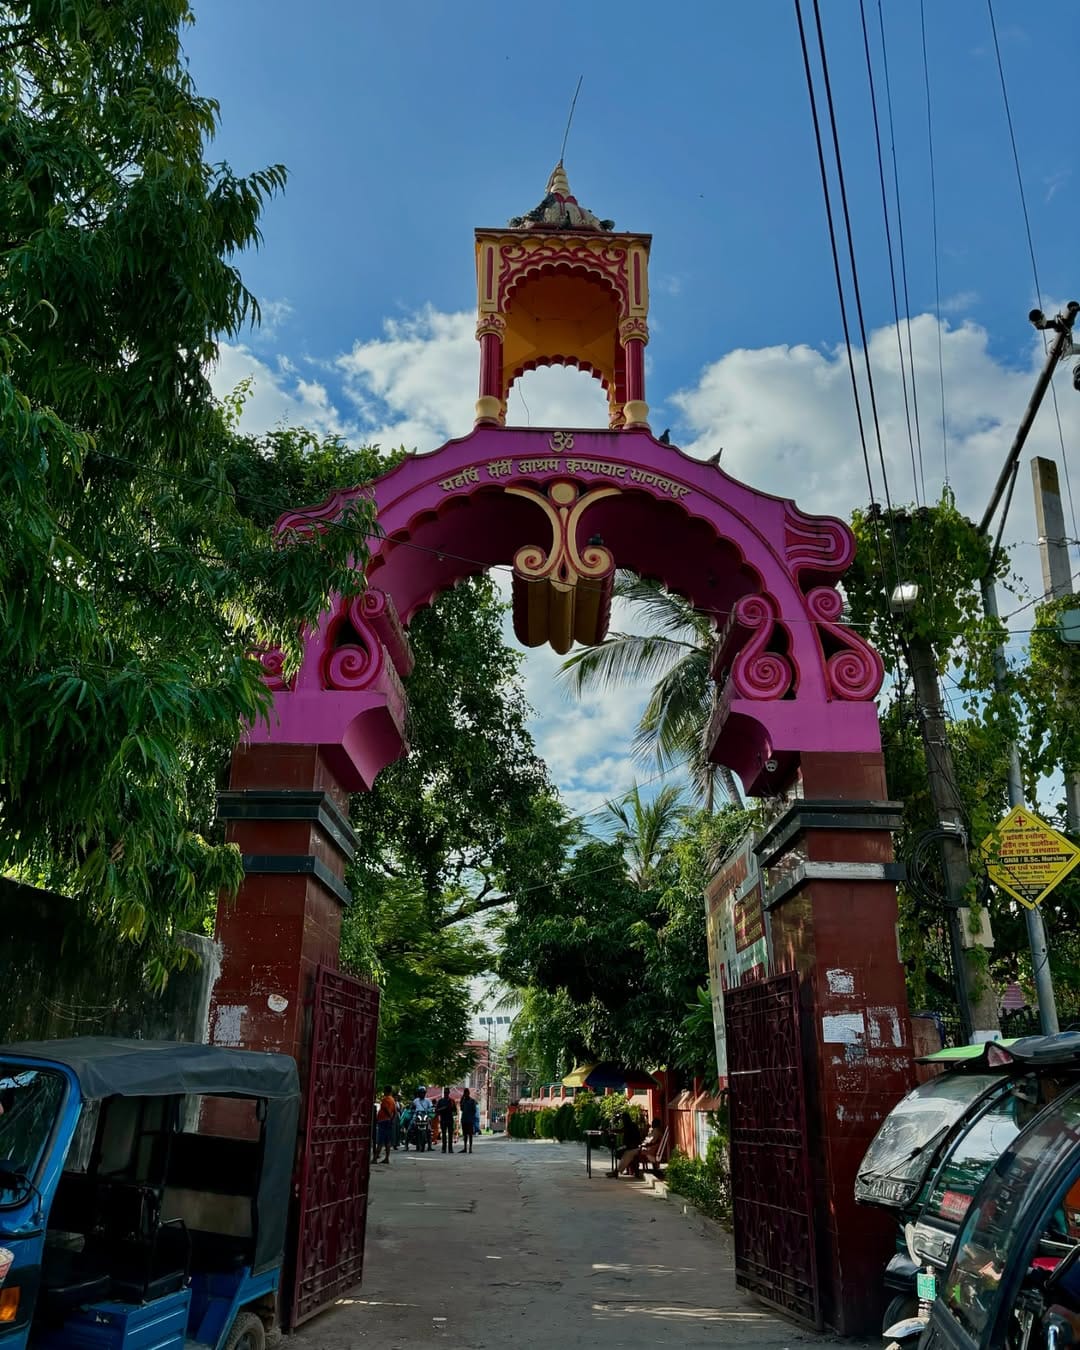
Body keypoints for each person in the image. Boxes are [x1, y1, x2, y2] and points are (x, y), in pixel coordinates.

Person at [608, 1110, 642, 1177]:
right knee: (619, 1152)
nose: (622, 1121)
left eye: (623, 1119)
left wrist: (611, 1130)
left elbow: (621, 1130)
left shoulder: (630, 1126)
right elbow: (621, 1130)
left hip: (634, 1148)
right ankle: (620, 1170)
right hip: (631, 1147)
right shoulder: (631, 1125)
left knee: (625, 1155)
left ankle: (617, 1171)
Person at [375, 1087, 396, 1165]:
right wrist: (391, 1119)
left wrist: (389, 1116)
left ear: (387, 1091)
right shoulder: (392, 1100)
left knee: (380, 1140)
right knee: (387, 1141)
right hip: (388, 1121)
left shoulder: (385, 1099)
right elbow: (395, 1111)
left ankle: (375, 1158)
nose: (383, 1092)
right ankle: (386, 1158)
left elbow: (386, 1109)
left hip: (383, 1121)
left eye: (384, 1091)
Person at [434, 1087, 458, 1154]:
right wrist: (443, 1109)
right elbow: (436, 1110)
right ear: (443, 1093)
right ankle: (443, 1149)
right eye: (445, 1092)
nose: (446, 1094)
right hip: (443, 1119)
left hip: (450, 1119)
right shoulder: (440, 1101)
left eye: (447, 1092)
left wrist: (452, 1111)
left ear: (449, 1093)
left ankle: (450, 1149)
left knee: (450, 1134)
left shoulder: (452, 1101)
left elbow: (455, 1111)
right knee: (444, 1134)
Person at [459, 1089, 478, 1154]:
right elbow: (461, 1109)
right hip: (464, 1119)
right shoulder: (463, 1101)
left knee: (470, 1134)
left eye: (466, 1093)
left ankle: (470, 1148)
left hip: (470, 1120)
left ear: (469, 1093)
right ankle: (465, 1148)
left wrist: (471, 1117)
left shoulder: (472, 1101)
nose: (465, 1094)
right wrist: (461, 1099)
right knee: (465, 1134)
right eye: (464, 1093)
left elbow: (474, 1110)